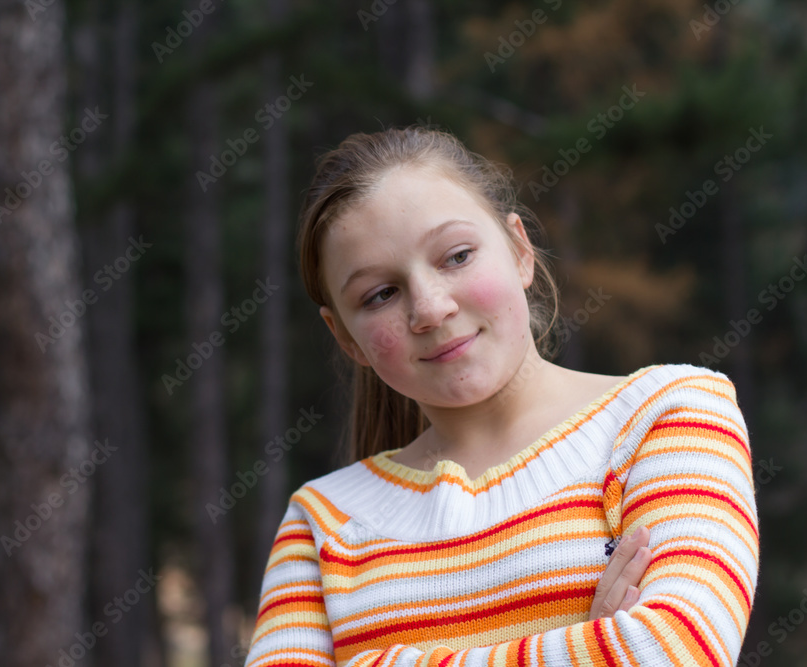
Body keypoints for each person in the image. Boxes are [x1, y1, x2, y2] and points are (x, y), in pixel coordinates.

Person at [242, 125, 759, 666]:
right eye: (380, 294)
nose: (430, 308)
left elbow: (672, 649)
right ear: (347, 338)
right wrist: (594, 648)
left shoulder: (670, 414)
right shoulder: (321, 522)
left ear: (519, 251)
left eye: (456, 256)